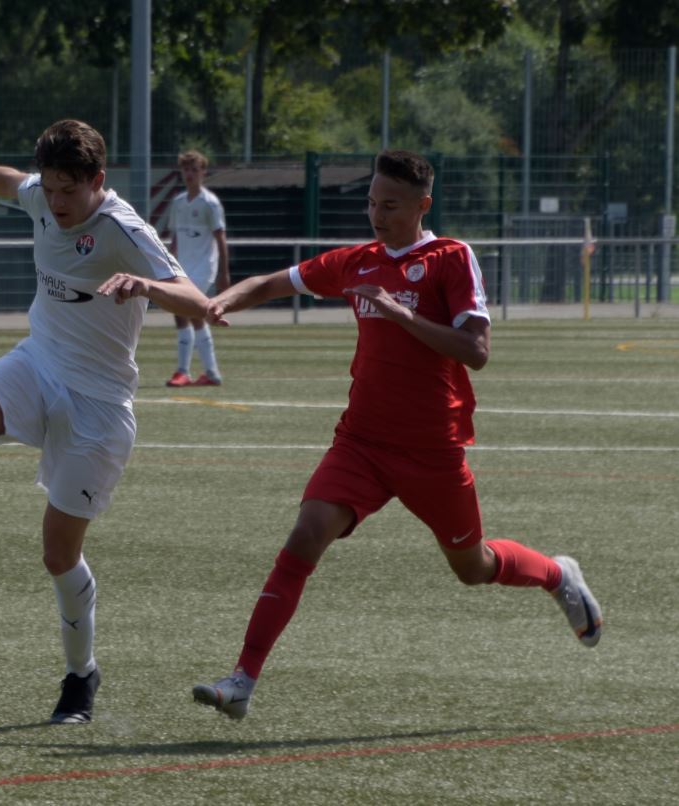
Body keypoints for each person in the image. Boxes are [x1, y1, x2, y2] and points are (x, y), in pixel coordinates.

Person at [190, 150, 602, 721]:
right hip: (360, 443)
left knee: (473, 567)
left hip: (432, 452)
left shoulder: (450, 258)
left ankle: (558, 574)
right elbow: (273, 282)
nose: (376, 215)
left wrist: (400, 314)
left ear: (421, 206)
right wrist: (224, 299)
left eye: (389, 205)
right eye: (370, 203)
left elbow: (477, 353)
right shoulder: (357, 261)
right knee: (306, 534)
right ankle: (241, 680)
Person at [0, 120, 211, 724]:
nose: (55, 203)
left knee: (58, 556)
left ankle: (81, 677)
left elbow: (198, 298)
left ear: (97, 183)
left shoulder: (122, 228)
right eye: (51, 189)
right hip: (39, 362)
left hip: (99, 403)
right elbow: (5, 180)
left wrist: (145, 285)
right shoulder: (41, 194)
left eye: (68, 192)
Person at [159, 150, 229, 387]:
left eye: (194, 170)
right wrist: (170, 266)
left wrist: (223, 273)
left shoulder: (210, 203)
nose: (189, 174)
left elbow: (220, 239)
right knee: (185, 317)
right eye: (186, 169)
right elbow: (175, 239)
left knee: (191, 313)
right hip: (183, 268)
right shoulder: (178, 203)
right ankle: (209, 373)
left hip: (203, 268)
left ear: (203, 172)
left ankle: (185, 371)